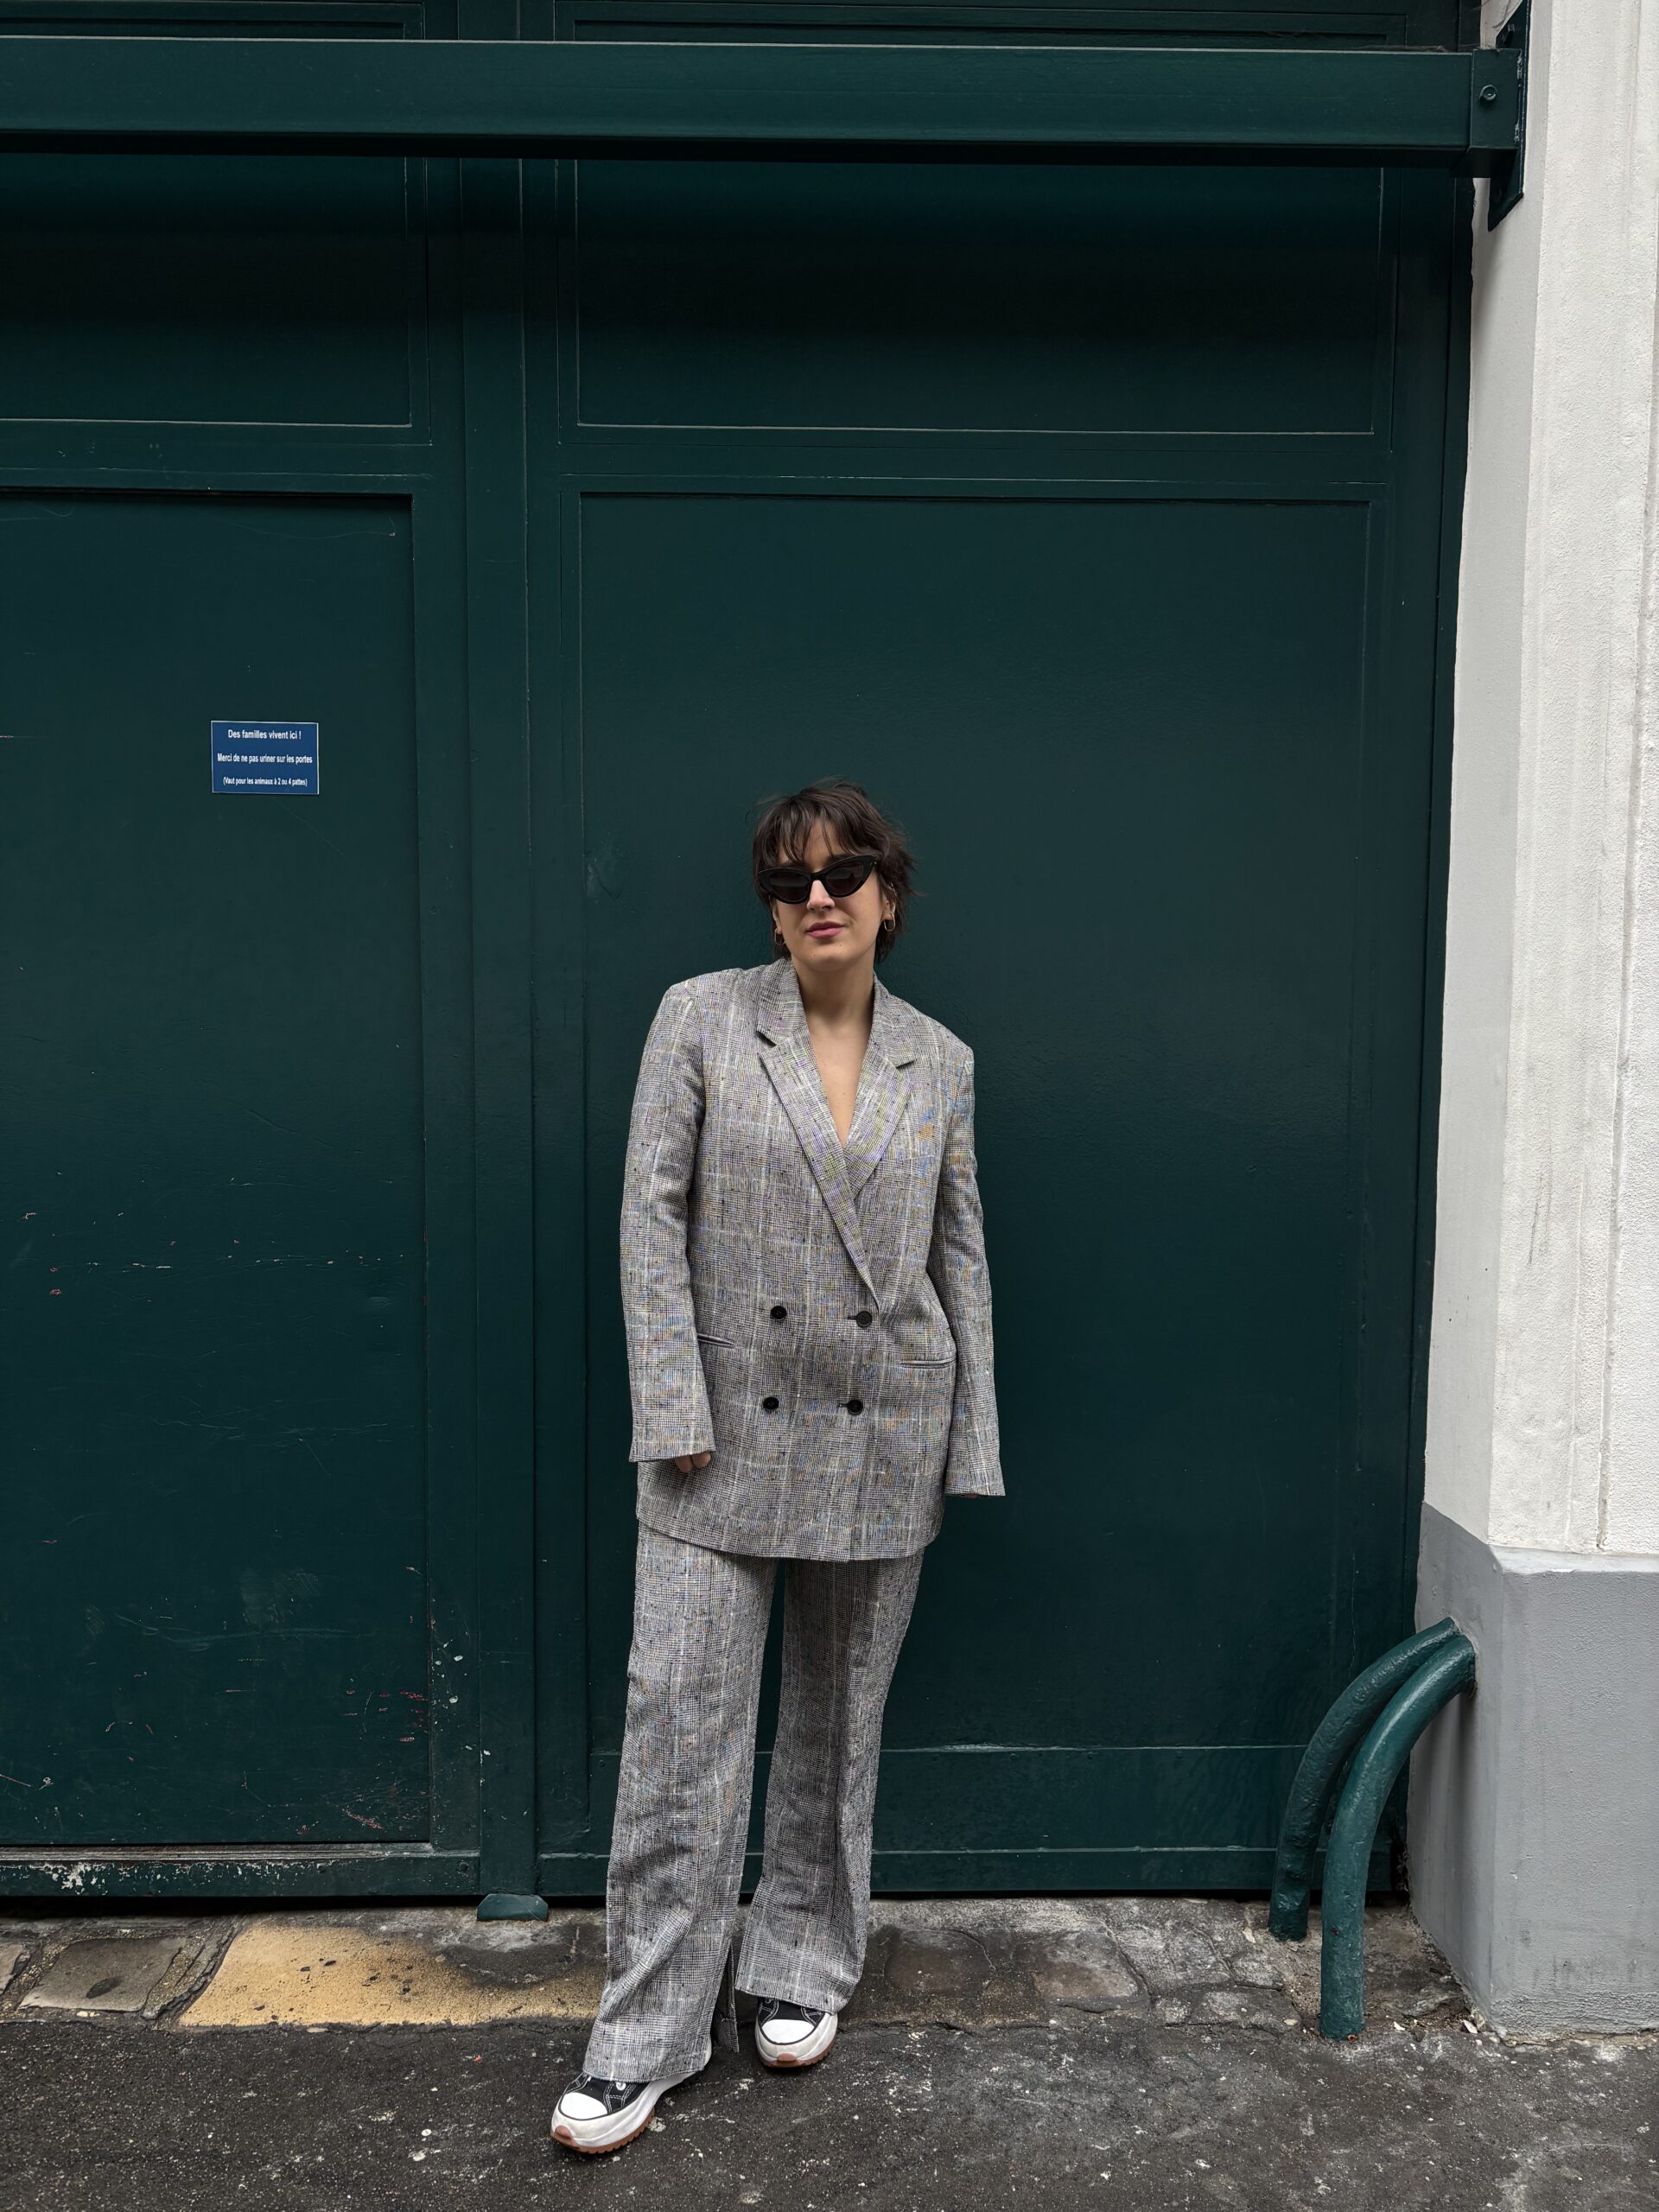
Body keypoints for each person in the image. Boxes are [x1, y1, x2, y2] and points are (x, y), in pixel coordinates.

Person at [552, 777, 1004, 2154]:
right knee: (681, 1734)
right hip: (718, 1439)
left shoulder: (942, 1059)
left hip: (882, 1429)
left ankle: (802, 1960)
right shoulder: (700, 1017)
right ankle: (644, 2036)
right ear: (769, 906)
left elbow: (960, 1255)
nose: (817, 896)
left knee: (836, 1727)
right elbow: (649, 1216)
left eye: (844, 872)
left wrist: (969, 1441)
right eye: (789, 878)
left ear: (889, 895)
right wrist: (671, 1403)